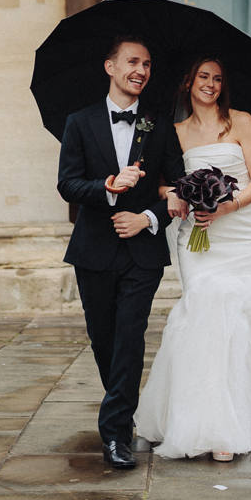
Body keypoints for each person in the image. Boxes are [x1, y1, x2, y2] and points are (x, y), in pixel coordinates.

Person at [134, 55, 251, 461]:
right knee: (205, 314)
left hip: (239, 234)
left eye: (218, 78)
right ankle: (205, 423)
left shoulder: (241, 122)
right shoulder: (175, 132)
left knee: (243, 319)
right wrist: (179, 195)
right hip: (197, 239)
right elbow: (160, 185)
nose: (211, 84)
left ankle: (249, 417)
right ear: (189, 82)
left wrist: (226, 206)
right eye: (203, 76)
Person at [57, 35, 184, 470]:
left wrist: (147, 217)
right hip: (93, 250)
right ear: (110, 67)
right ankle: (123, 409)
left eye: (146, 64)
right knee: (104, 341)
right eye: (132, 62)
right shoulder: (79, 122)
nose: (141, 71)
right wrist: (108, 188)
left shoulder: (159, 124)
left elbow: (177, 185)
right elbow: (67, 184)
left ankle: (115, 433)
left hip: (142, 253)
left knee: (130, 338)